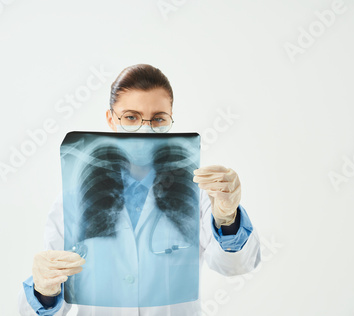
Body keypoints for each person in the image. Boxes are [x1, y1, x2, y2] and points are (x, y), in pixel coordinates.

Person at [17, 64, 261, 316]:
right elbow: (54, 305)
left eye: (158, 119)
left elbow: (235, 267)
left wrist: (228, 219)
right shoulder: (74, 200)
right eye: (131, 117)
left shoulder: (198, 195)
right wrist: (44, 289)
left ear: (171, 120)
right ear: (111, 119)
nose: (146, 129)